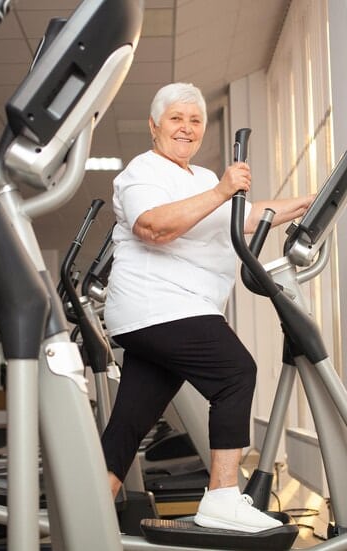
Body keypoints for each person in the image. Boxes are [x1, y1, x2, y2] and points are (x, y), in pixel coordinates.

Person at [100, 82, 314, 533]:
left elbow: (251, 214)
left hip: (169, 311)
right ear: (154, 126)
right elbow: (153, 227)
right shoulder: (143, 171)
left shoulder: (198, 179)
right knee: (236, 372)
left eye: (195, 120)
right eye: (176, 118)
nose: (187, 128)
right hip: (159, 305)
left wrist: (311, 202)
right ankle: (220, 497)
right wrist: (222, 190)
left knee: (129, 424)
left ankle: (85, 517)